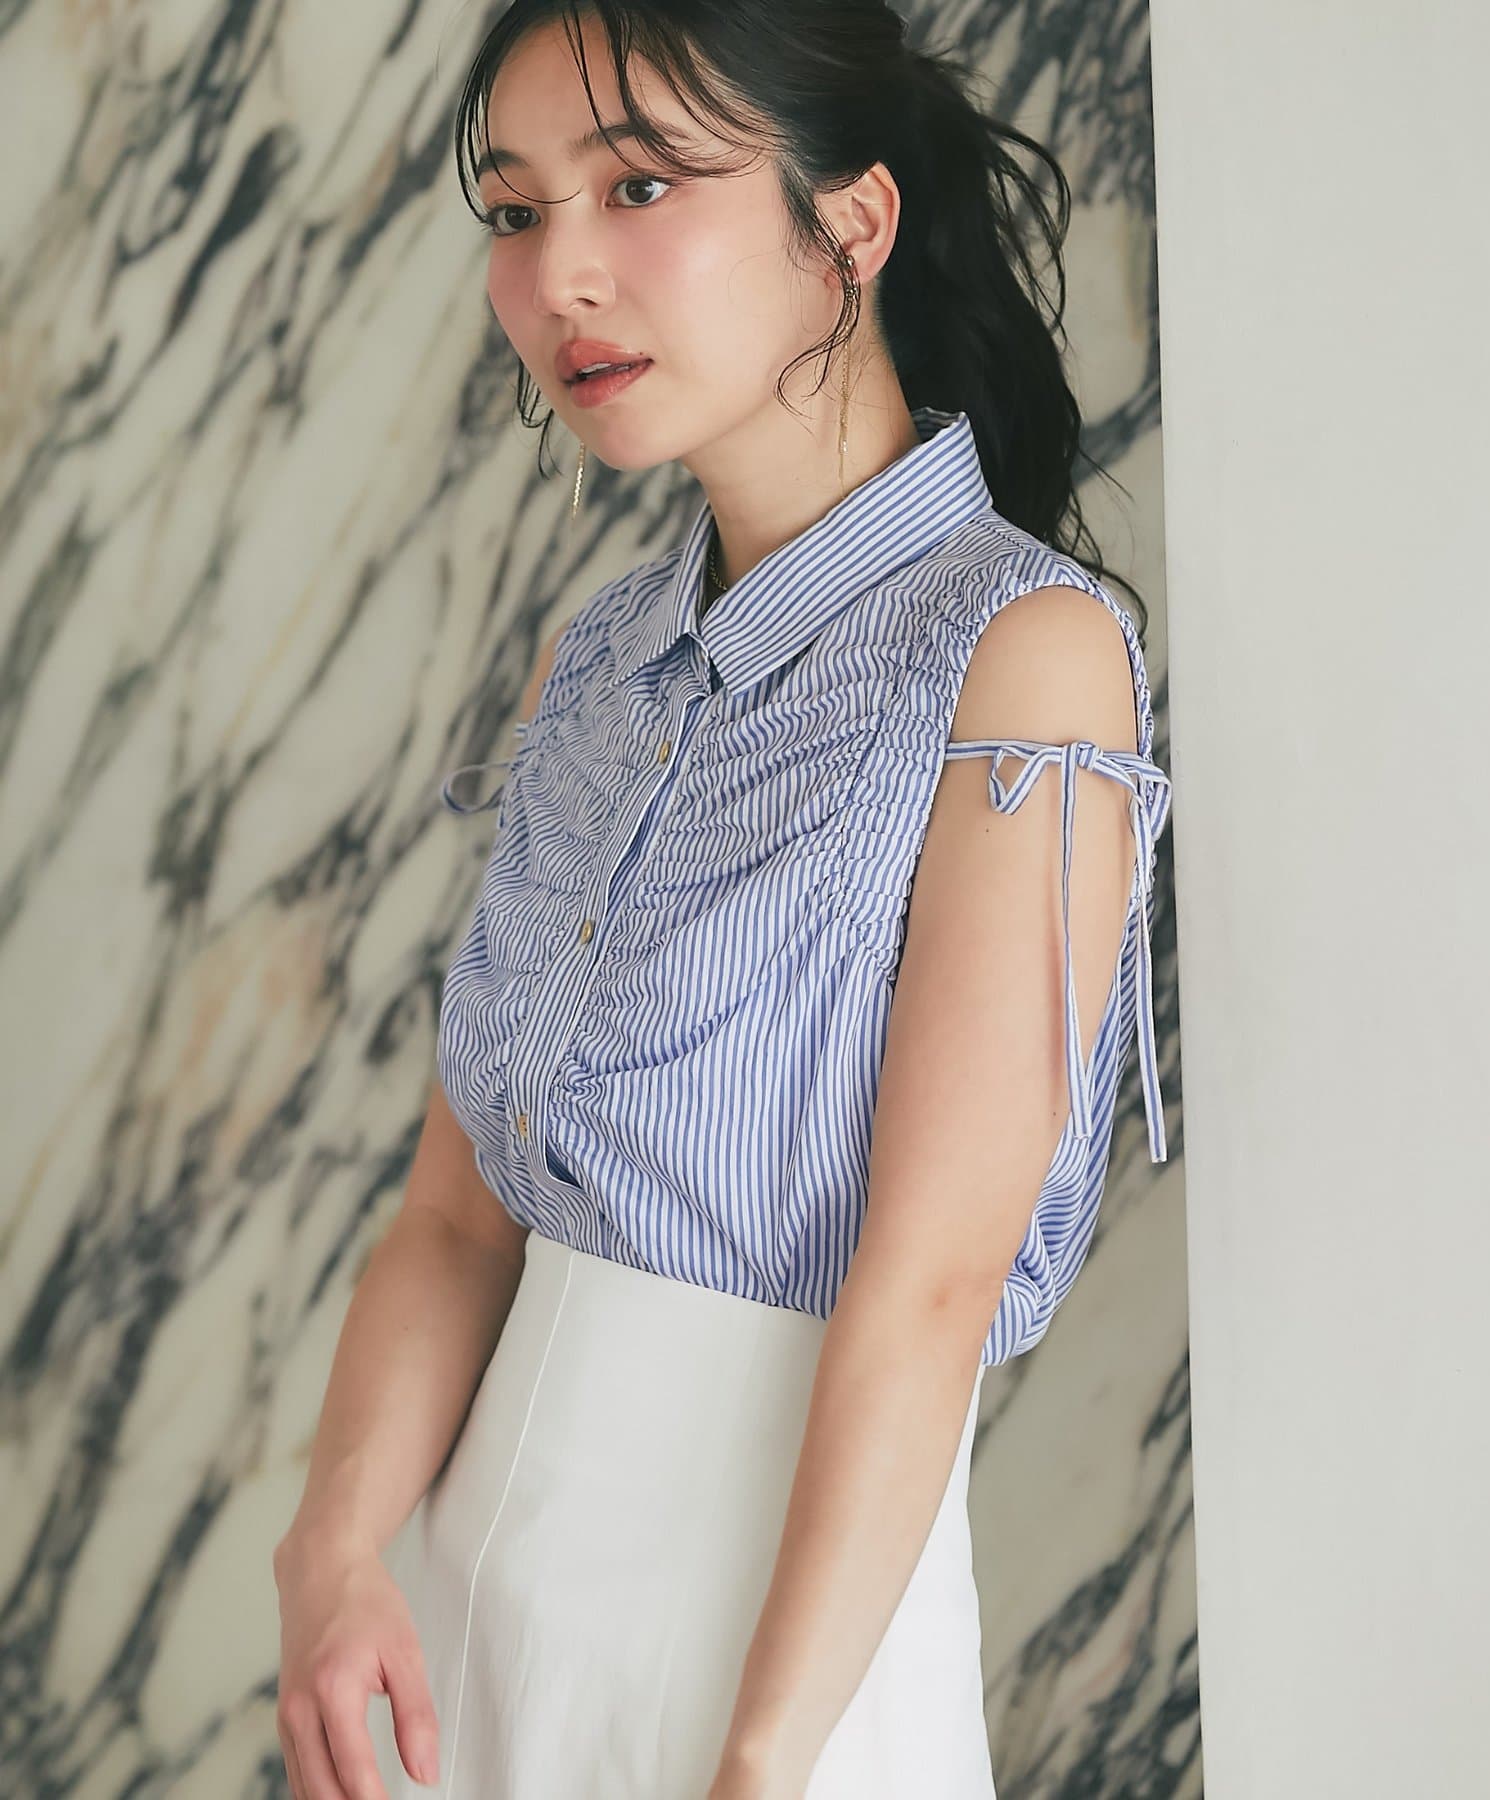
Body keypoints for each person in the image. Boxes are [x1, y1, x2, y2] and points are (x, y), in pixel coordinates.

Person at [272, 4, 1174, 1797]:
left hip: (771, 1655)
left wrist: (765, 1761)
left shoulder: (1025, 655)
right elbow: (456, 1222)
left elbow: (931, 1285)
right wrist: (332, 1555)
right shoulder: (598, 663)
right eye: (517, 211)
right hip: (456, 1633)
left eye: (638, 186)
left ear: (852, 222)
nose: (560, 276)